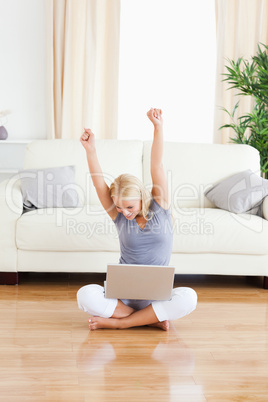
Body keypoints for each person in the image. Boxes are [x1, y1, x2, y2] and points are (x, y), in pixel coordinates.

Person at [77, 108, 197, 331]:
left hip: (157, 298)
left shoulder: (160, 206)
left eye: (130, 206)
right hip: (124, 299)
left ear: (142, 197)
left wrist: (158, 127)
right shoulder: (119, 216)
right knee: (85, 294)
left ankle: (121, 324)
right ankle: (148, 318)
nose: (124, 212)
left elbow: (157, 166)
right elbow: (97, 184)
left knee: (189, 297)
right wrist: (90, 150)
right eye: (120, 207)